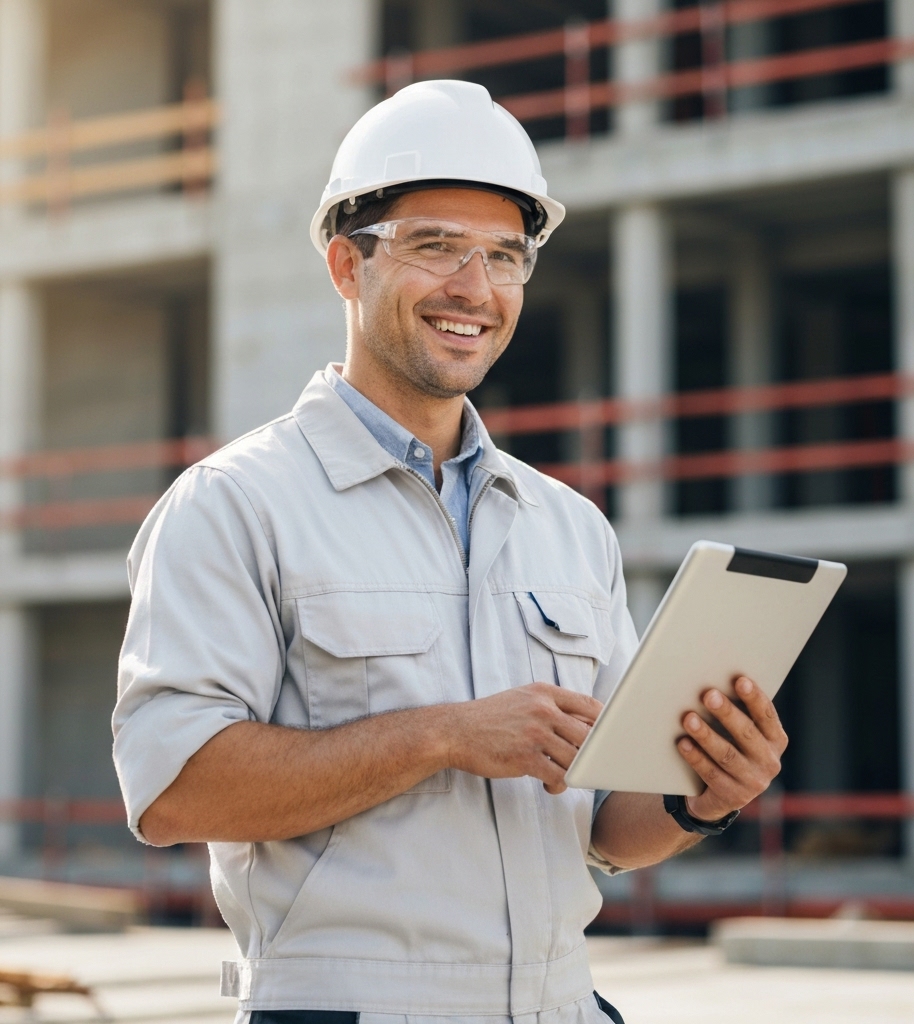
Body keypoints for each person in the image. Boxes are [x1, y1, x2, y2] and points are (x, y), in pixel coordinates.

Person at [113, 80, 787, 1024]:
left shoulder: (567, 526)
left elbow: (602, 831)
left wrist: (701, 798)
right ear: (348, 266)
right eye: (436, 247)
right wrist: (444, 736)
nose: (475, 288)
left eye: (505, 257)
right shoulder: (235, 506)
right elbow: (172, 790)